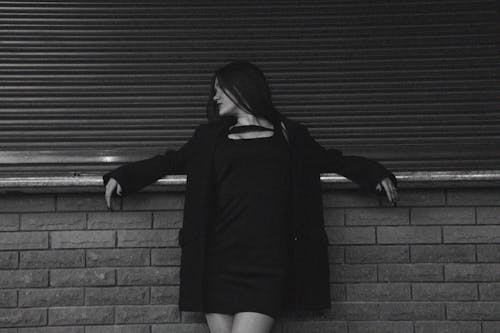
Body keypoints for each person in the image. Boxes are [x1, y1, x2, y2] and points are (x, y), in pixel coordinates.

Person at [103, 61, 398, 333]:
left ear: (241, 88)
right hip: (217, 262)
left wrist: (374, 173)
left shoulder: (289, 136)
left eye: (220, 89)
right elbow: (169, 162)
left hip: (267, 264)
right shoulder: (208, 139)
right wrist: (123, 177)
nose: (214, 96)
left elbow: (332, 160)